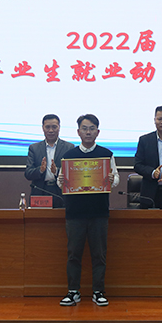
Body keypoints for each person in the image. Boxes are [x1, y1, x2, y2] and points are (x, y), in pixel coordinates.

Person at [57, 114, 119, 307]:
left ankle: (98, 291)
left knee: (99, 254)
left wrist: (111, 180)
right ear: (78, 132)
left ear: (97, 132)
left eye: (92, 128)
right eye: (84, 128)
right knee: (73, 254)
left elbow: (116, 179)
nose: (88, 132)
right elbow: (61, 181)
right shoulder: (69, 156)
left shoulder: (106, 155)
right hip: (75, 213)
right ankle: (73, 291)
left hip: (99, 212)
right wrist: (61, 181)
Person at [24, 114, 75, 208]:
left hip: (60, 192)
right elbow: (28, 173)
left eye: (54, 127)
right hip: (41, 191)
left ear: (59, 128)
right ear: (43, 128)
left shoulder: (69, 148)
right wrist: (40, 170)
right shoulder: (34, 148)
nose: (51, 130)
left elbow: (73, 174)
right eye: (47, 127)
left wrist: (57, 171)